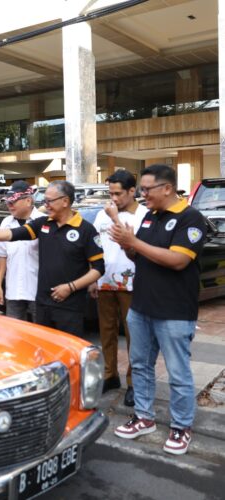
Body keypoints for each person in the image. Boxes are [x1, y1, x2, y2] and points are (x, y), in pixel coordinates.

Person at [110, 164, 206, 456]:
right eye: (142, 190)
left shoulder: (191, 219)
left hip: (174, 311)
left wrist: (134, 242)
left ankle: (181, 426)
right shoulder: (151, 217)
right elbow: (140, 256)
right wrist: (128, 245)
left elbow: (178, 261)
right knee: (140, 365)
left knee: (178, 373)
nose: (143, 195)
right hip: (142, 307)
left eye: (147, 190)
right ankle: (144, 417)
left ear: (167, 188)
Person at [0, 180, 104, 337]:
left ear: (65, 201)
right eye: (44, 201)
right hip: (43, 305)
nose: (45, 205)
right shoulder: (43, 224)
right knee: (42, 347)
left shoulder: (86, 229)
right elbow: (12, 234)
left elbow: (99, 268)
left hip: (70, 306)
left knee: (68, 351)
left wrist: (70, 287)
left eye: (49, 201)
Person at [90, 169, 148, 407]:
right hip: (104, 281)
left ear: (132, 191)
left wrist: (115, 216)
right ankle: (109, 374)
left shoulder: (143, 215)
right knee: (107, 331)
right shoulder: (103, 215)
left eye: (118, 193)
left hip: (132, 284)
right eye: (110, 193)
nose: (113, 198)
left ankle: (134, 382)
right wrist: (92, 277)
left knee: (134, 335)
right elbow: (95, 247)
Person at [0, 181, 46, 321]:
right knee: (14, 334)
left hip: (38, 289)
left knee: (40, 332)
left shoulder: (43, 221)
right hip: (14, 289)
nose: (9, 205)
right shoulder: (6, 223)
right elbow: (2, 256)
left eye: (13, 202)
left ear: (28, 200)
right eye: (8, 202)